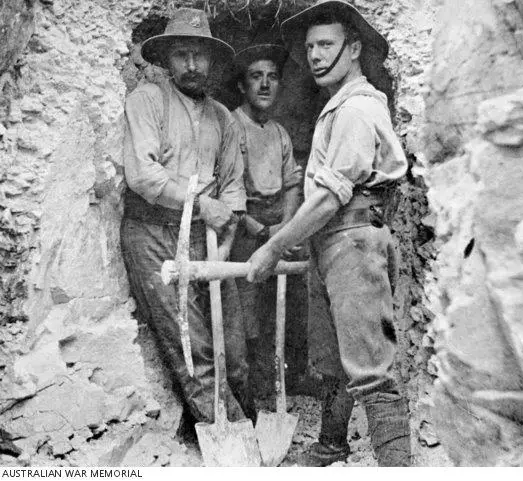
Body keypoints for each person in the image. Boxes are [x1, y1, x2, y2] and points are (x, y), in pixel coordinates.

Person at [246, 0, 412, 467]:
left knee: (370, 366)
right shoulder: (337, 108)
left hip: (354, 238)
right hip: (334, 240)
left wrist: (273, 248)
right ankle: (332, 445)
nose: (315, 56)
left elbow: (330, 196)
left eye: (326, 45)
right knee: (337, 355)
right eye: (310, 47)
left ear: (354, 48)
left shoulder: (357, 110)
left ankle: (400, 469)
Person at [120, 8, 256, 428]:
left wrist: (226, 229)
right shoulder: (148, 101)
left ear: (213, 60)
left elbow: (232, 188)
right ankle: (229, 437)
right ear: (166, 60)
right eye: (181, 54)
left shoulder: (224, 118)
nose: (192, 65)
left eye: (200, 55)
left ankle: (239, 424)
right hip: (154, 233)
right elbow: (143, 174)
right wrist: (200, 205)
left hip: (209, 238)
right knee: (191, 344)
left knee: (233, 347)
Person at [227, 44, 305, 397]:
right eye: (256, 77)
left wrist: (285, 231)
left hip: (276, 229)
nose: (264, 85)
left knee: (285, 299)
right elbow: (226, 186)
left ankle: (286, 380)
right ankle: (250, 389)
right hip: (242, 229)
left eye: (272, 77)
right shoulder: (230, 125)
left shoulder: (278, 132)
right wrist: (257, 230)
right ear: (242, 85)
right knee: (247, 311)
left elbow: (292, 183)